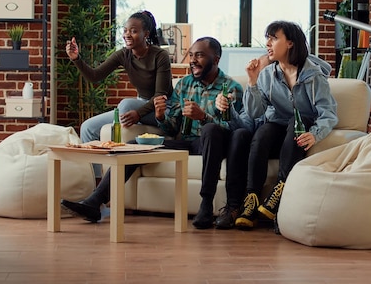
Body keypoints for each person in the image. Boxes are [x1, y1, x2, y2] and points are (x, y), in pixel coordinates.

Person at [61, 37, 247, 228]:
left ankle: (206, 205)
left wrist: (203, 117)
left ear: (215, 60)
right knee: (134, 145)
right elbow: (173, 127)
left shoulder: (231, 88)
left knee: (210, 129)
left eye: (199, 55)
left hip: (216, 146)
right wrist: (160, 117)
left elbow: (234, 130)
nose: (192, 60)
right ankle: (94, 202)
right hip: (188, 142)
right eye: (191, 55)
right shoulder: (184, 85)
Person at [234, 20, 338, 230]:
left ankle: (280, 189)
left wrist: (315, 134)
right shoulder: (266, 75)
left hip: (299, 129)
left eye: (274, 38)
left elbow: (328, 114)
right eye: (267, 39)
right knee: (263, 132)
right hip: (276, 129)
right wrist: (252, 83)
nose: (268, 44)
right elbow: (255, 113)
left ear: (290, 43)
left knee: (296, 121)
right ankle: (252, 198)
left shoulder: (314, 77)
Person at [65, 10, 173, 177]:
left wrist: (138, 113)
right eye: (125, 30)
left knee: (126, 105)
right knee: (88, 127)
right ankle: (97, 183)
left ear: (146, 33)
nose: (127, 35)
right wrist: (76, 59)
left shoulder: (160, 55)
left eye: (133, 31)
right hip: (138, 105)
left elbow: (160, 95)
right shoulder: (124, 54)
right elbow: (95, 76)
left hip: (162, 109)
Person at [211, 54, 271, 229]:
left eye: (261, 69)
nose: (257, 73)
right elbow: (245, 125)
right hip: (254, 145)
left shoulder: (284, 90)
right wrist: (228, 110)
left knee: (264, 133)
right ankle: (233, 207)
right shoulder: (252, 92)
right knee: (240, 135)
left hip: (275, 142)